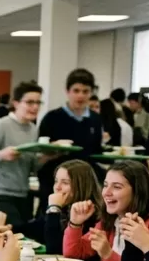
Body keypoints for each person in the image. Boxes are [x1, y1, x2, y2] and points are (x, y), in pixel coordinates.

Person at [64, 160, 149, 261]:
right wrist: (75, 224)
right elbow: (72, 255)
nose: (106, 193)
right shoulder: (110, 221)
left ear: (137, 191)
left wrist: (109, 254)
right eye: (105, 185)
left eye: (116, 187)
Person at [0, 81, 46, 229]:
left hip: (23, 192)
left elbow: (31, 165)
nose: (35, 107)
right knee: (12, 234)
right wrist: (1, 154)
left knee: (25, 236)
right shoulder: (1, 125)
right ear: (16, 103)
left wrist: (47, 156)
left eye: (38, 102)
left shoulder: (33, 129)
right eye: (30, 102)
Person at [37, 69, 104, 211]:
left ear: (91, 93)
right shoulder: (52, 118)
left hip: (83, 183)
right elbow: (41, 151)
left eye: (85, 91)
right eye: (76, 90)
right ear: (68, 91)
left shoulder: (95, 119)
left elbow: (95, 151)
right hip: (55, 180)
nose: (80, 95)